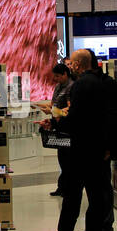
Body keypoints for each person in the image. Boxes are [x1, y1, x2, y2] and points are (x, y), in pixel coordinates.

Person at [41, 49, 117, 231]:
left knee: (72, 193)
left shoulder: (81, 85)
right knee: (96, 194)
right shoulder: (107, 83)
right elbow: (113, 116)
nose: (69, 66)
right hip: (99, 149)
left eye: (71, 64)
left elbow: (75, 118)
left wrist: (56, 122)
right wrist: (109, 145)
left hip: (81, 149)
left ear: (77, 65)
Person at [36, 62, 75, 197]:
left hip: (68, 127)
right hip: (59, 125)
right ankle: (62, 186)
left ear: (65, 74)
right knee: (62, 158)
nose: (56, 79)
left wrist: (54, 111)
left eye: (58, 76)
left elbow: (69, 111)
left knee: (68, 160)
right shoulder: (59, 87)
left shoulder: (71, 87)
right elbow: (54, 105)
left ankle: (68, 187)